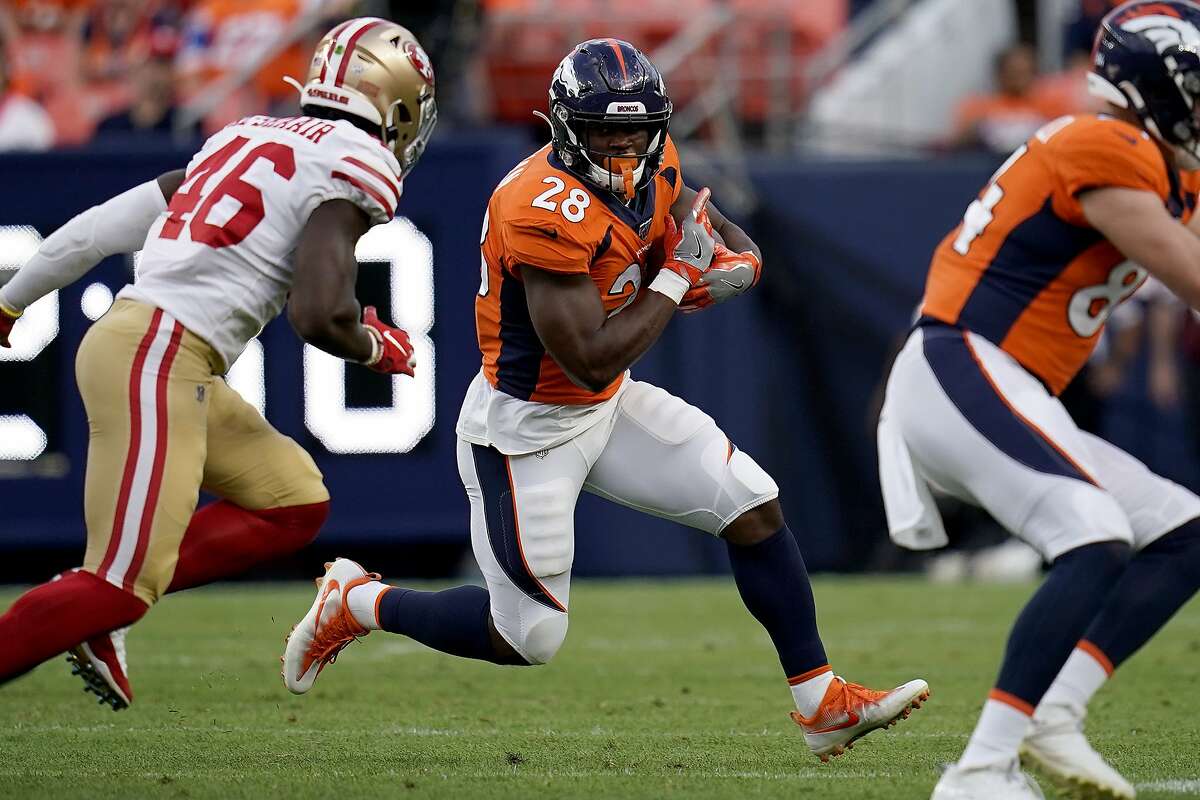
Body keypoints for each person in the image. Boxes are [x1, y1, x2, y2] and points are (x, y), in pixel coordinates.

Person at [283, 38, 929, 764]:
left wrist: (741, 264)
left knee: (752, 505)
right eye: (604, 131)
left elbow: (710, 229)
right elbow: (587, 359)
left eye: (635, 130)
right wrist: (679, 279)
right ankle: (359, 602)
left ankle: (822, 704)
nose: (624, 147)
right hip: (527, 430)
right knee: (527, 638)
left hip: (609, 407)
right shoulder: (537, 205)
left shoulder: (658, 166)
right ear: (565, 129)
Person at [0, 17, 437, 711]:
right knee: (119, 584)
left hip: (159, 350)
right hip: (159, 354)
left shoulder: (243, 134)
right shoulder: (360, 160)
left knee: (293, 501)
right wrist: (376, 345)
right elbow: (318, 313)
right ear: (399, 104)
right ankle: (94, 602)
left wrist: (10, 302)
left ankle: (89, 606)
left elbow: (94, 230)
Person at [878, 2, 1200, 797]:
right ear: (1155, 88)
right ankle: (980, 769)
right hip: (962, 363)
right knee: (1094, 537)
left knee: (1184, 533)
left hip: (1008, 384)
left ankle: (1054, 713)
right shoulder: (1107, 144)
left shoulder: (1158, 160)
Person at [952, 43, 1073, 155]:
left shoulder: (1052, 105)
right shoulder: (979, 106)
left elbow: (1067, 139)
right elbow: (959, 144)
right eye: (1014, 73)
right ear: (1000, 74)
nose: (1020, 79)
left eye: (1026, 72)